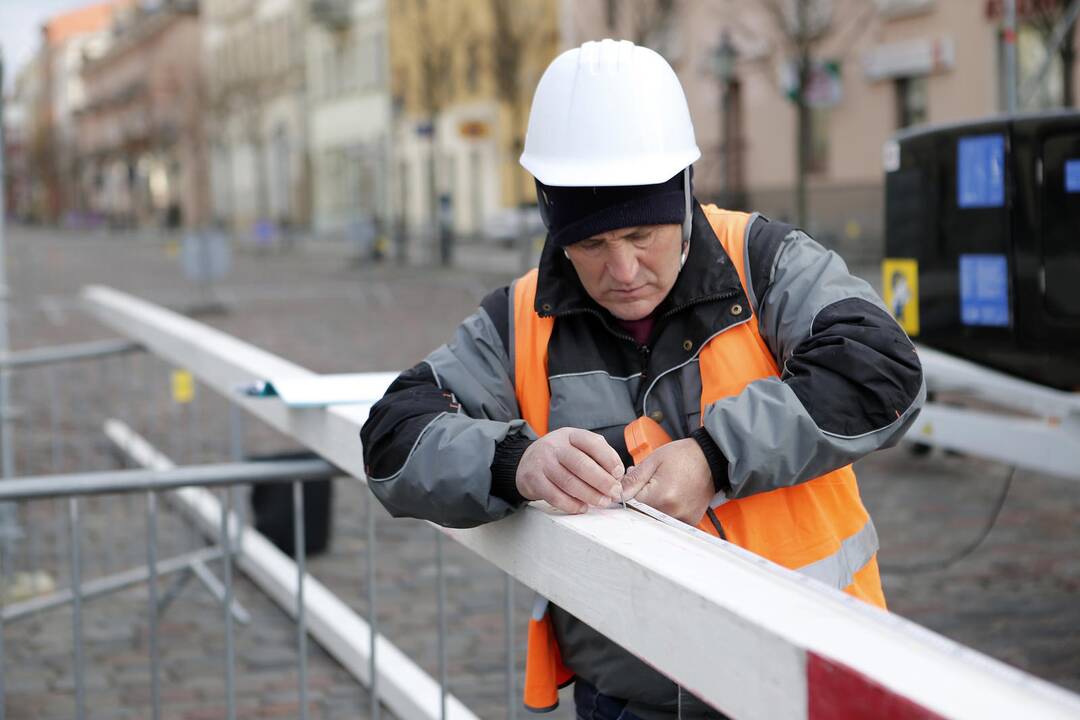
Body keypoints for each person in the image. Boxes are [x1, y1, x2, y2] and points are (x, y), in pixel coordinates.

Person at [360, 39, 925, 719]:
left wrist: (716, 457)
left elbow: (880, 369)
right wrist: (514, 461)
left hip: (803, 679)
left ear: (684, 201)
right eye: (592, 245)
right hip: (628, 699)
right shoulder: (518, 318)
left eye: (642, 236)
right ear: (554, 227)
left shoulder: (766, 264)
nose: (623, 271)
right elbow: (395, 436)